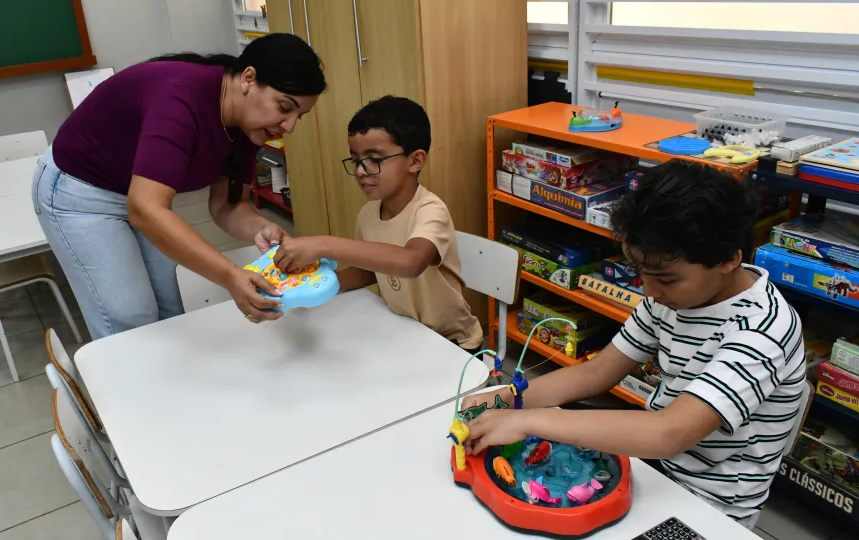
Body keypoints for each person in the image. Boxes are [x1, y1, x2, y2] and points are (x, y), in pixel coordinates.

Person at [461, 160, 805, 527]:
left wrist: (529, 421)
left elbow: (668, 432)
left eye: (666, 279)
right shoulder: (672, 298)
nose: (650, 290)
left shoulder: (762, 331)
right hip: (656, 471)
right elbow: (597, 372)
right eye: (641, 273)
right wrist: (509, 399)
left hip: (711, 507)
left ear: (729, 260)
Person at [33, 34, 326, 338]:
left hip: (137, 194)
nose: (289, 126)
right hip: (79, 192)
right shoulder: (180, 98)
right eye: (284, 107)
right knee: (131, 316)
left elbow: (226, 205)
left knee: (171, 304)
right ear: (248, 79)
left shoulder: (246, 125)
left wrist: (259, 226)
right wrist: (230, 275)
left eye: (298, 116)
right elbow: (146, 209)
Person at [271, 96, 483, 354]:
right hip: (405, 331)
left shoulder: (430, 211)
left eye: (374, 159)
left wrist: (323, 244)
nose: (361, 171)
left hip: (452, 343)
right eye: (356, 160)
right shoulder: (368, 213)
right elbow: (368, 271)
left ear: (415, 161)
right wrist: (311, 287)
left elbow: (410, 262)